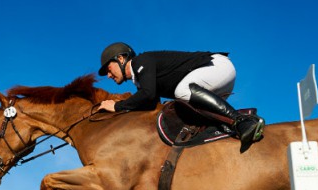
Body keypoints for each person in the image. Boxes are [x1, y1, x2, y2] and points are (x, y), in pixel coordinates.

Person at [97, 42, 265, 153]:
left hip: (217, 67)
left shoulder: (141, 61)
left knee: (182, 92)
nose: (109, 76)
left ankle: (242, 120)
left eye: (109, 69)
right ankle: (232, 129)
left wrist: (117, 106)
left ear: (121, 58)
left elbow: (147, 96)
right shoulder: (140, 82)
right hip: (210, 81)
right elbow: (150, 106)